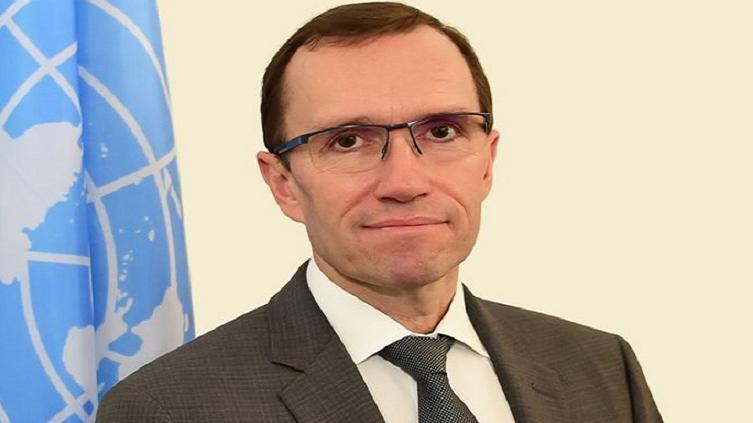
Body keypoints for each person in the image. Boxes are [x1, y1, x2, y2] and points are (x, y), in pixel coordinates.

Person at [97, 2, 662, 422]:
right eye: (348, 141)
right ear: (283, 184)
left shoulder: (600, 368)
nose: (405, 182)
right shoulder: (168, 409)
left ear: (488, 161)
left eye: (442, 131)